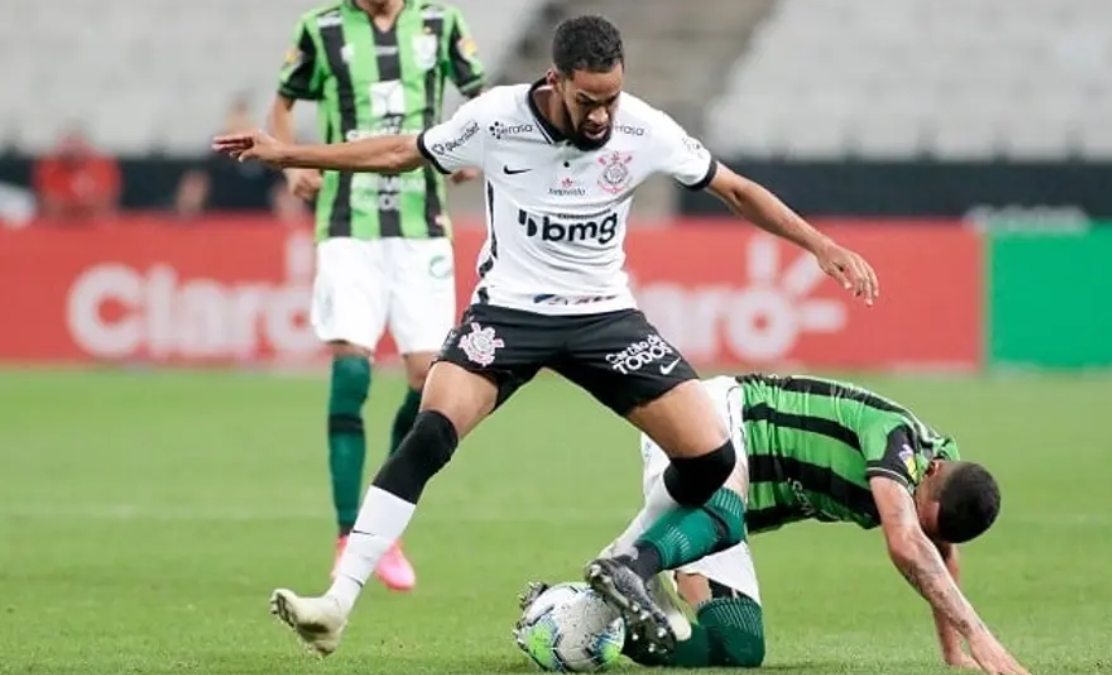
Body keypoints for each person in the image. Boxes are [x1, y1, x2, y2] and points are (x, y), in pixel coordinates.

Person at [212, 14, 879, 658]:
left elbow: (733, 189)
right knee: (429, 431)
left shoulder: (642, 127)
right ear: (556, 79)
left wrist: (818, 244)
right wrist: (291, 152)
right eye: (588, 100)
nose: (601, 116)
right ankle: (337, 601)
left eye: (611, 99)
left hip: (604, 317)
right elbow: (399, 152)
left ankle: (630, 563)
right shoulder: (496, 117)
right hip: (509, 313)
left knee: (710, 460)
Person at [533, 374, 1026, 675]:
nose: (911, 517)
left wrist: (953, 651)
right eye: (919, 511)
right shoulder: (896, 438)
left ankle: (574, 613)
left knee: (739, 648)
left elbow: (935, 550)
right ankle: (630, 565)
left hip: (727, 510)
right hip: (719, 424)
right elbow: (904, 542)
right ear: (933, 471)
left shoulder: (944, 477)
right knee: (723, 514)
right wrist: (979, 633)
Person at [268, 0, 486, 591]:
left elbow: (480, 97)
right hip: (347, 225)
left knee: (426, 381)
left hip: (421, 230)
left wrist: (468, 153)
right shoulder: (322, 28)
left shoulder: (441, 23)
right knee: (352, 369)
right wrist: (292, 168)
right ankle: (348, 535)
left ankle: (380, 528)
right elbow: (283, 103)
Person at [33, 126, 121, 223]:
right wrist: (79, 207)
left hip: (94, 225)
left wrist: (75, 207)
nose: (75, 153)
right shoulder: (51, 168)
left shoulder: (101, 166)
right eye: (71, 148)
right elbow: (50, 206)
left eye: (78, 147)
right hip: (61, 226)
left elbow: (105, 204)